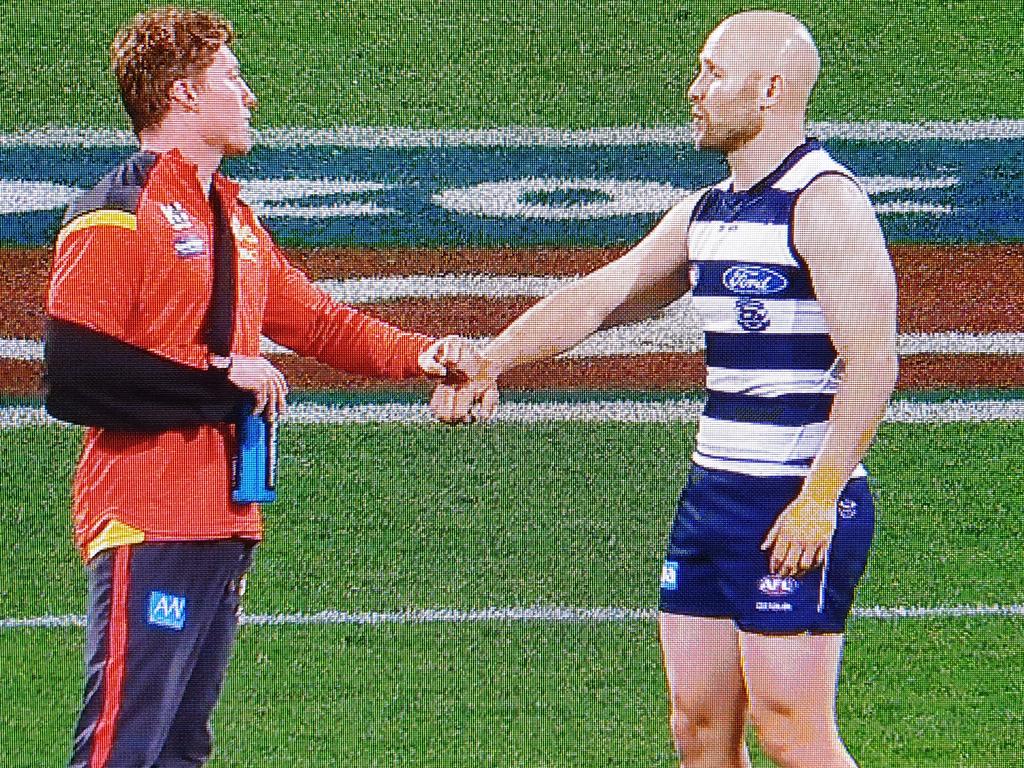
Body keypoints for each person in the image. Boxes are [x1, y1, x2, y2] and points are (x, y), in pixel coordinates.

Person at [437, 11, 897, 768]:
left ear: (771, 89)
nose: (694, 91)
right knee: (699, 728)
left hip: (793, 501)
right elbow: (602, 296)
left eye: (713, 73)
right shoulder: (707, 214)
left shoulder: (825, 203)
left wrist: (820, 497)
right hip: (713, 497)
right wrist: (493, 359)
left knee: (791, 732)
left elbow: (872, 363)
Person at [45, 8, 481, 767]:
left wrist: (424, 356)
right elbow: (73, 374)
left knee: (181, 746)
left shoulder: (232, 216)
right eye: (231, 78)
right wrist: (219, 378)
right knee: (122, 748)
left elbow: (318, 322)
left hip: (225, 519)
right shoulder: (116, 211)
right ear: (183, 95)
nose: (248, 95)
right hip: (148, 516)